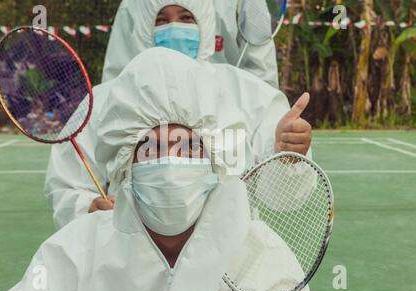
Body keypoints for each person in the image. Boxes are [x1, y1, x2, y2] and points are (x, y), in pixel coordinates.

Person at [1, 48, 310, 291]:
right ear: (126, 166)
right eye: (150, 148)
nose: (170, 164)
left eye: (188, 147)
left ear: (216, 161)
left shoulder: (259, 255)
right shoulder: (75, 252)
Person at [45, 0, 312, 229]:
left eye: (186, 17)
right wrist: (88, 208)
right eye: (161, 19)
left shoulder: (248, 95)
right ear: (142, 27)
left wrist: (289, 156)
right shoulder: (104, 101)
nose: (174, 28)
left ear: (205, 23)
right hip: (129, 260)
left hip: (227, 263)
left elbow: (281, 197)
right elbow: (68, 185)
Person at [102, 0, 279, 87]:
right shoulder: (134, 4)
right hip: (150, 118)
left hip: (226, 123)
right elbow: (117, 75)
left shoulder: (247, 2)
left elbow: (262, 71)